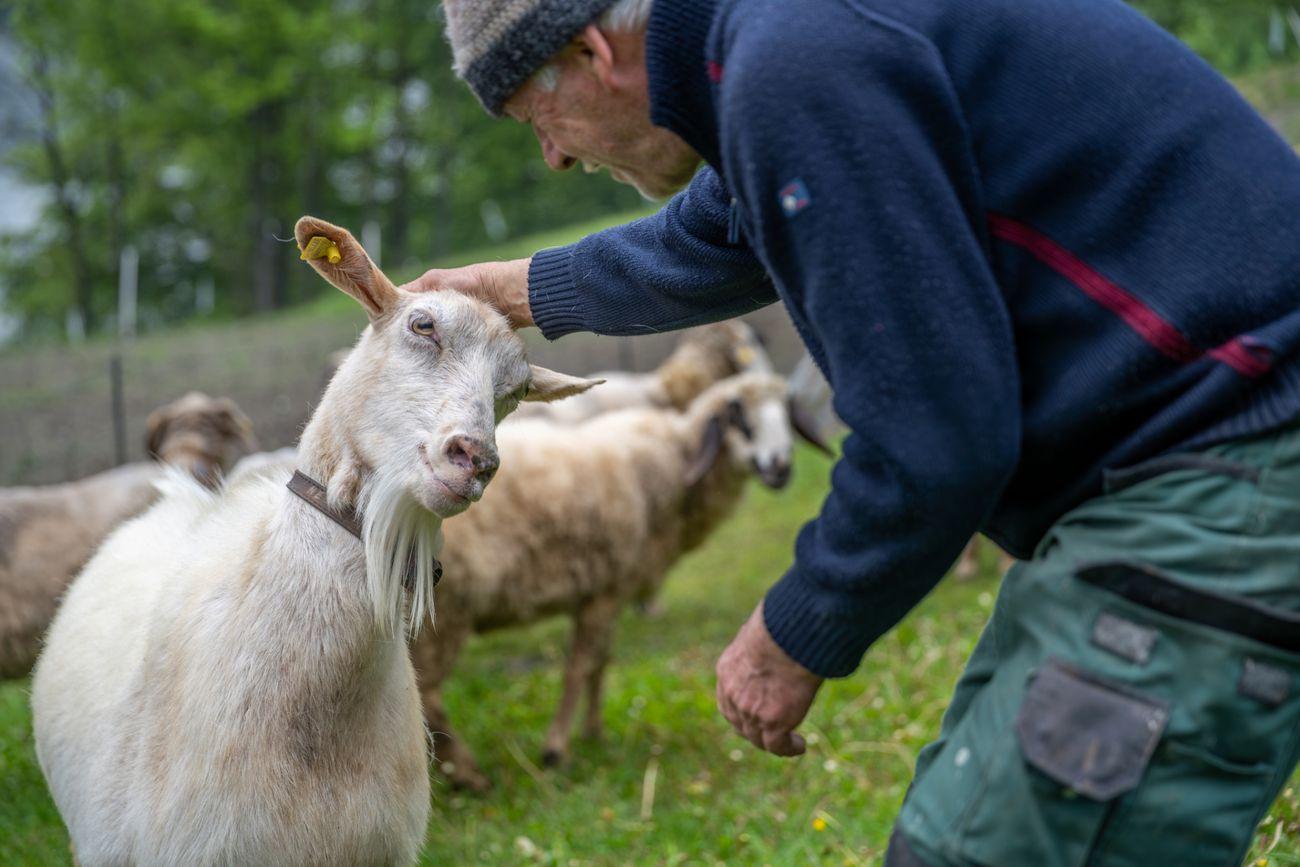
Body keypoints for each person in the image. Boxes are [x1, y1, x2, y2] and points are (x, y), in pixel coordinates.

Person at [417, 0, 1300, 862]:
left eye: (540, 117)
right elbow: (720, 237)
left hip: (1233, 466)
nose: (553, 157)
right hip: (1189, 463)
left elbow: (936, 432)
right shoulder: (783, 42)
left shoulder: (795, 57)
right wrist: (507, 292)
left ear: (590, 54)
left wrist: (797, 627)